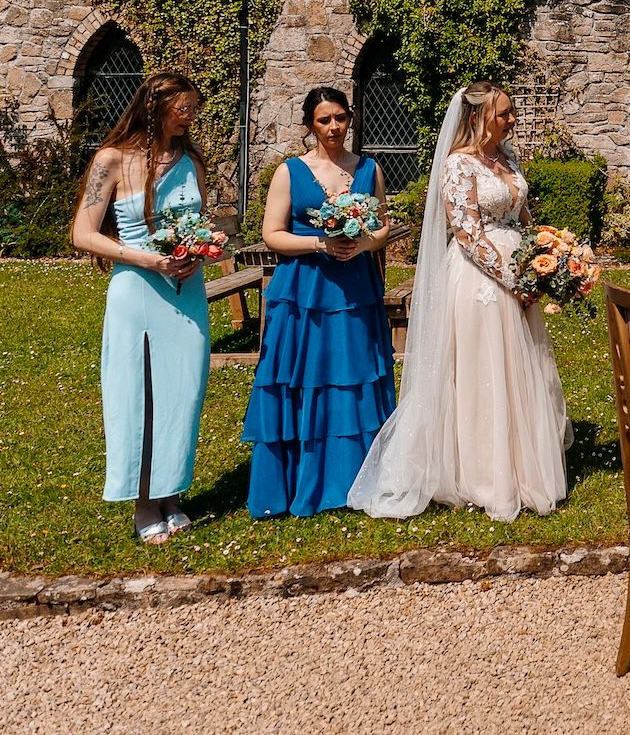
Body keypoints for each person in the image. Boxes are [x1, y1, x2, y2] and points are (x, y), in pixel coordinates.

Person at [349, 83, 571, 520]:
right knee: (482, 368)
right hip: (480, 280)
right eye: (503, 114)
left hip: (520, 269)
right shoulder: (457, 165)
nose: (511, 121)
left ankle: (524, 467)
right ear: (477, 117)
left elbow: (523, 215)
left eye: (510, 113)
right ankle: (483, 474)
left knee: (521, 366)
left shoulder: (508, 157)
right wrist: (512, 278)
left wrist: (549, 254)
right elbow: (467, 233)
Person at [241, 87, 398, 518]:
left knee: (354, 376)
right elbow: (273, 233)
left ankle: (361, 477)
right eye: (324, 120)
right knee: (308, 378)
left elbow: (384, 227)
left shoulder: (369, 168)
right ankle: (302, 481)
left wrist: (364, 244)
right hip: (305, 292)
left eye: (340, 118)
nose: (334, 128)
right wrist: (320, 243)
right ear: (310, 125)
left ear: (351, 119)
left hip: (355, 291)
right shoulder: (290, 172)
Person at [70, 71, 211, 545]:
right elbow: (83, 234)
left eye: (193, 108)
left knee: (184, 392)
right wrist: (146, 258)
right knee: (140, 393)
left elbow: (200, 221)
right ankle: (143, 502)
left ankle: (171, 493)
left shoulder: (191, 160)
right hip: (136, 284)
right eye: (183, 108)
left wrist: (198, 252)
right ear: (155, 106)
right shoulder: (111, 160)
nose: (190, 116)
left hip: (185, 290)